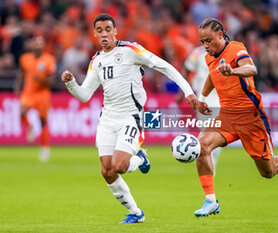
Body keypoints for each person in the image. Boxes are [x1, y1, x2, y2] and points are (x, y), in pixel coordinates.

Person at [61, 14, 197, 224]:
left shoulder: (130, 50)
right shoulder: (96, 61)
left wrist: (188, 92)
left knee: (119, 166)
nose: (104, 33)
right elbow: (85, 95)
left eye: (108, 29)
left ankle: (141, 158)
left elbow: (165, 66)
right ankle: (136, 213)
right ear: (95, 33)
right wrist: (71, 84)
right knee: (107, 171)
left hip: (130, 118)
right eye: (99, 30)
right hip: (107, 119)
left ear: (115, 31)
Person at [194, 18, 278, 217]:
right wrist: (202, 98)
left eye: (208, 40)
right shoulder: (209, 57)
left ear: (220, 35)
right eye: (202, 41)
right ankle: (211, 201)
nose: (205, 45)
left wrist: (233, 71)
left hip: (251, 117)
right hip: (227, 116)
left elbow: (251, 68)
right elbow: (213, 76)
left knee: (268, 172)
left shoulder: (236, 48)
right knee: (201, 146)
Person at [176, 45, 222, 176]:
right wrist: (182, 92)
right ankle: (208, 166)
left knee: (215, 136)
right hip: (203, 100)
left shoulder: (225, 52)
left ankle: (210, 168)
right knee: (205, 134)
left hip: (220, 100)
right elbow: (187, 68)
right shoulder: (197, 52)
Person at [14, 36, 56, 162]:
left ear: (43, 46)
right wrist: (17, 85)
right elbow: (22, 72)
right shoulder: (25, 58)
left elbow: (51, 81)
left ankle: (44, 148)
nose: (38, 45)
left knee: (43, 121)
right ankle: (30, 127)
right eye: (36, 43)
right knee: (21, 112)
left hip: (43, 94)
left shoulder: (49, 59)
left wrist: (41, 79)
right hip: (29, 92)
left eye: (40, 43)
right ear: (32, 45)